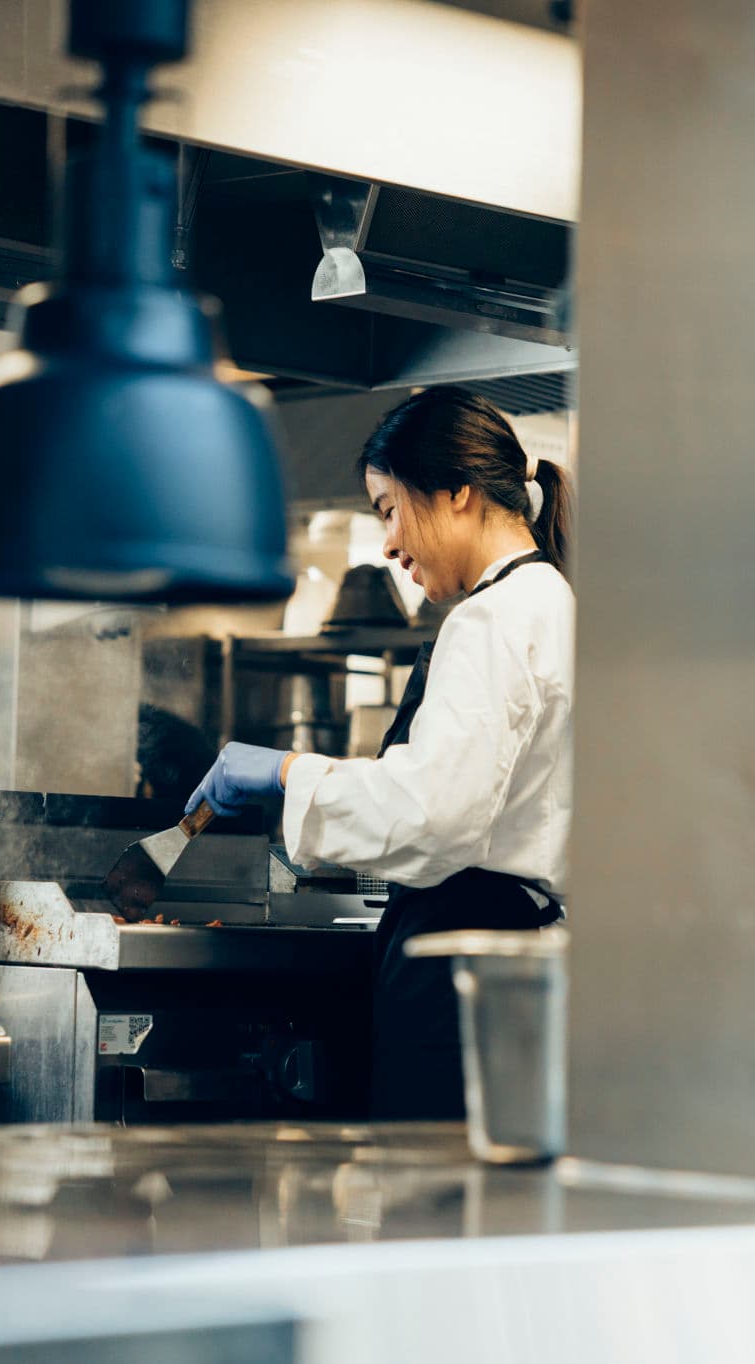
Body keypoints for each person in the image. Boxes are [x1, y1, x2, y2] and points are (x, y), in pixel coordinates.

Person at [185, 387, 574, 1119]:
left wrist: (288, 771)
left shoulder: (492, 619)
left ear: (456, 491)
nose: (388, 544)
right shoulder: (551, 600)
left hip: (460, 963)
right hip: (511, 962)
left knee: (435, 1208)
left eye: (389, 509)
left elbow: (433, 815)